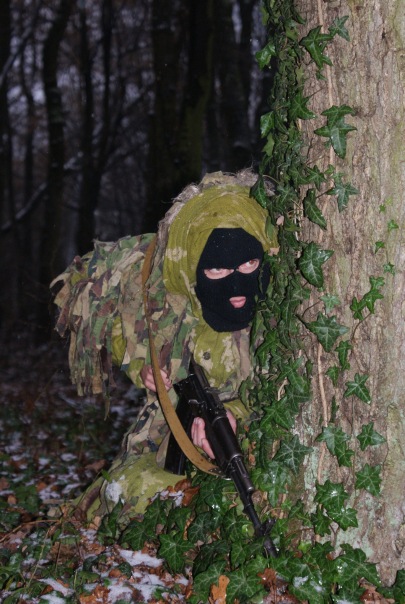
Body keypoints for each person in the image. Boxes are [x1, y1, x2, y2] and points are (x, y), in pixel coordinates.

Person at [52, 170, 278, 525]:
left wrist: (235, 414)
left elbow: (273, 393)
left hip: (244, 440)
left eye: (249, 264)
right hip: (163, 435)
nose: (236, 284)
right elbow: (117, 322)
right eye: (217, 271)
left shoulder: (276, 313)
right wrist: (145, 368)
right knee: (130, 489)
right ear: (194, 268)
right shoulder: (170, 297)